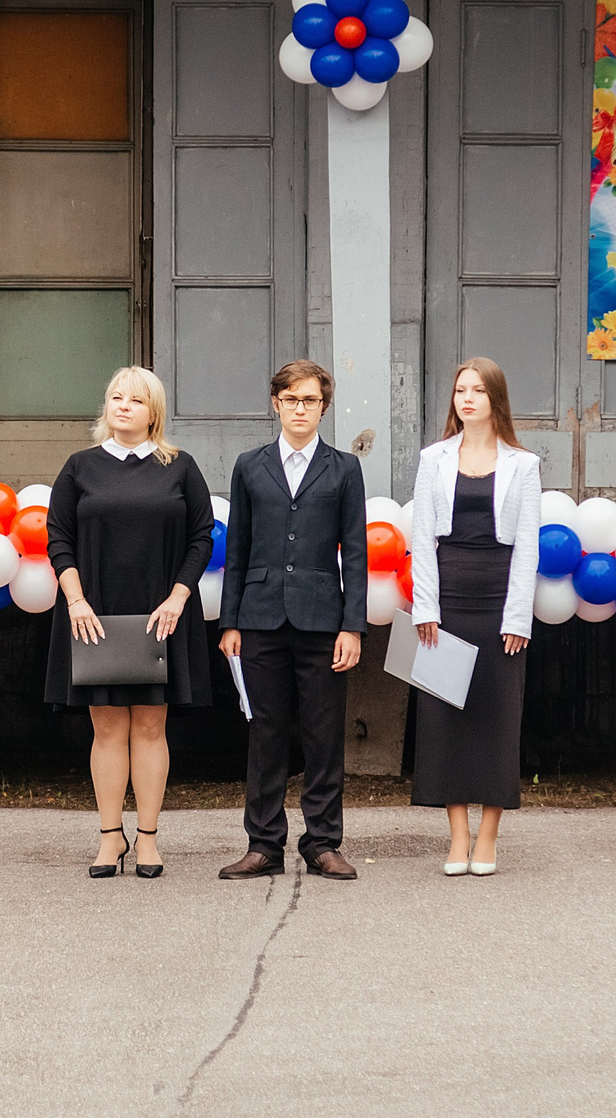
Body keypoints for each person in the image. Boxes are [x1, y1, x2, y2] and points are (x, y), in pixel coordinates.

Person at [44, 366, 215, 880]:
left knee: (150, 723)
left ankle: (147, 838)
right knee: (106, 727)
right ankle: (108, 836)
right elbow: (58, 536)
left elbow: (201, 536)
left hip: (162, 614)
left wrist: (179, 597)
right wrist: (75, 601)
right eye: (116, 397)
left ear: (153, 412)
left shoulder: (179, 467)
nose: (123, 406)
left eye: (135, 400)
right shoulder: (80, 467)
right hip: (92, 615)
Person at [216, 359, 369, 881]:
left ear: (324, 406)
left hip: (323, 619)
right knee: (265, 732)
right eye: (290, 399)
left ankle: (323, 841)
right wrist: (229, 622)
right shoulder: (249, 464)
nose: (299, 408)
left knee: (325, 734)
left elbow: (356, 553)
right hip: (259, 618)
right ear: (275, 404)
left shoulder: (344, 467)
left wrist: (353, 625)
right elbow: (236, 548)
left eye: (309, 400)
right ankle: (263, 844)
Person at [405, 358, 542, 877]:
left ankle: (488, 838)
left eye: (477, 391)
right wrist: (426, 607)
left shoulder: (523, 465)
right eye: (460, 390)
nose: (466, 399)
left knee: (496, 719)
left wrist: (517, 617)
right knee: (445, 720)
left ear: (495, 400)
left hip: (498, 601)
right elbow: (422, 540)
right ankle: (457, 838)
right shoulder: (432, 458)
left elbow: (527, 546)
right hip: (446, 602)